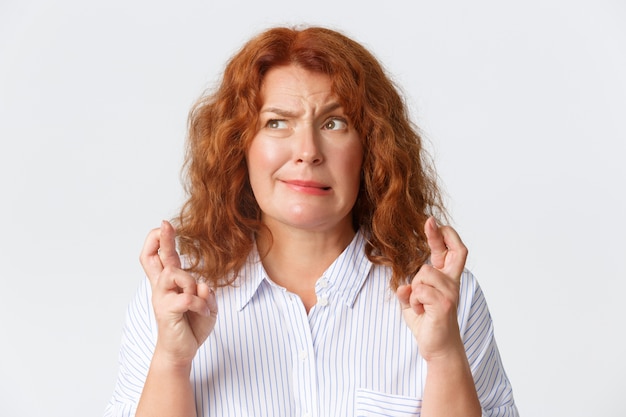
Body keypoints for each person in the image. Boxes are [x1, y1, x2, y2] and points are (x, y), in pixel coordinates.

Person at [104, 26, 518, 417]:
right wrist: (172, 363)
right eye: (277, 122)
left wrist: (444, 356)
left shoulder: (442, 298)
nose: (307, 151)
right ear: (239, 147)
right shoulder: (173, 301)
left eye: (333, 123)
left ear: (371, 150)